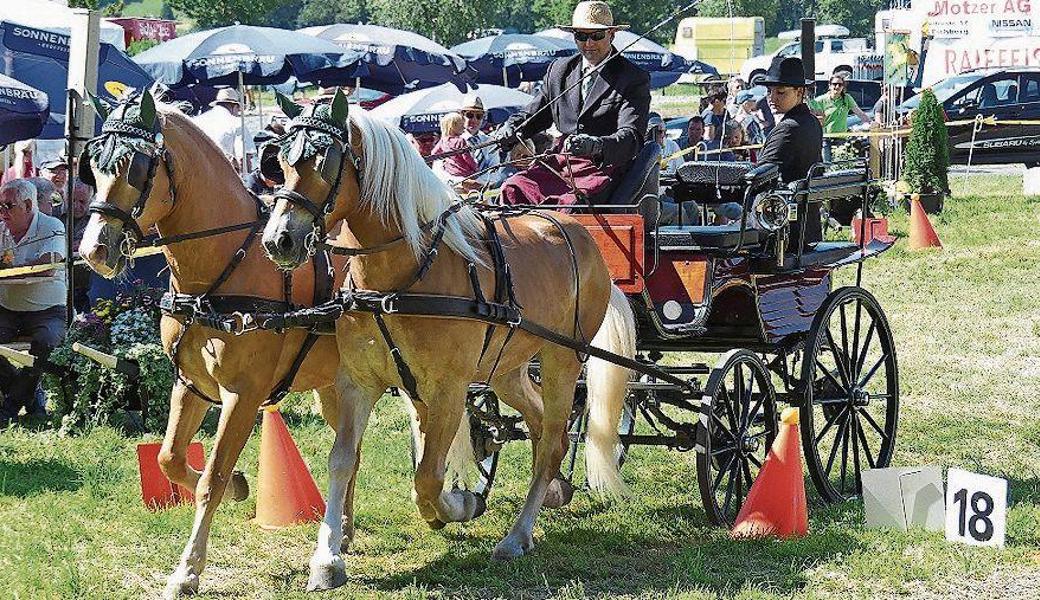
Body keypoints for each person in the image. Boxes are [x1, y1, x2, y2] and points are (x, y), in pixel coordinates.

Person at [495, 0, 651, 208]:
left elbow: (631, 137)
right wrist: (512, 128)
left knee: (569, 205)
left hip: (602, 169)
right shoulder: (559, 70)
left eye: (597, 36)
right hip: (559, 163)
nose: (589, 44)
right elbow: (535, 114)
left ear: (612, 35)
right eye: (581, 36)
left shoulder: (632, 77)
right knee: (512, 188)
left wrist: (596, 145)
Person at [0, 179, 66, 425]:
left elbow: (48, 266)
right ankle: (30, 399)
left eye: (8, 206)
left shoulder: (52, 226)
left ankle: (8, 409)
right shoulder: (1, 229)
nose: (2, 213)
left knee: (46, 342)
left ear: (28, 205)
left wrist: (11, 269)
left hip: (47, 311)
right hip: (7, 309)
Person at [756, 56, 824, 247]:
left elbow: (759, 175)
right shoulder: (811, 122)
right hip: (807, 224)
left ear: (800, 92)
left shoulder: (789, 127)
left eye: (780, 92)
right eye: (770, 91)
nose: (772, 98)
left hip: (783, 228)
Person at [809, 74, 870, 161]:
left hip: (841, 138)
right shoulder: (820, 100)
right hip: (825, 139)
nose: (837, 86)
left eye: (840, 84)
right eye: (834, 84)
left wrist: (871, 123)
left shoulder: (847, 98)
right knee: (827, 164)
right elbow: (816, 118)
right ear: (829, 85)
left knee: (839, 164)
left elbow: (860, 113)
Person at [192, 88, 249, 168]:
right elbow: (243, 159)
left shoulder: (196, 121)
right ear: (234, 106)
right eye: (238, 110)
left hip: (198, 171)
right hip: (223, 173)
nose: (237, 113)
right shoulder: (237, 123)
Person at [458, 95, 503, 186]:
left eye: (479, 116)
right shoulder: (450, 141)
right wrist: (462, 182)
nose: (474, 120)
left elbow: (496, 171)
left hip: (483, 195)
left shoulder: (489, 142)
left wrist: (477, 182)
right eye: (470, 115)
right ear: (461, 116)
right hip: (456, 194)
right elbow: (441, 172)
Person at [431, 112, 479, 186]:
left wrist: (445, 160)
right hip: (464, 172)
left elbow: (434, 153)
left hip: (451, 171)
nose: (464, 127)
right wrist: (475, 167)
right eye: (461, 125)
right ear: (453, 126)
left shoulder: (443, 141)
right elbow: (467, 158)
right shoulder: (460, 141)